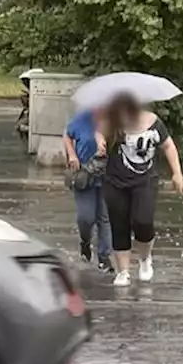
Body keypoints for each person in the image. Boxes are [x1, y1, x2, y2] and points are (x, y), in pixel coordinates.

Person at [102, 93, 183, 288]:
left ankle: (145, 258)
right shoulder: (113, 123)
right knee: (119, 224)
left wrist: (177, 173)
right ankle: (123, 271)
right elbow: (98, 134)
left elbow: (168, 146)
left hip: (145, 180)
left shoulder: (154, 122)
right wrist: (100, 141)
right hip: (115, 181)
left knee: (143, 220)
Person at [63, 108, 114, 272]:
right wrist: (72, 155)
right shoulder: (82, 118)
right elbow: (67, 136)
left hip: (108, 176)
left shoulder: (114, 120)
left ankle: (104, 257)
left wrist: (106, 147)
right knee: (86, 218)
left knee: (104, 218)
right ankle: (85, 243)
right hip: (84, 174)